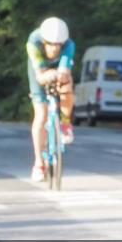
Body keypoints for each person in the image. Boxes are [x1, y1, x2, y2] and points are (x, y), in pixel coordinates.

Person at [26, 17, 76, 181]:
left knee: (67, 85)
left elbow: (64, 67)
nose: (55, 49)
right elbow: (40, 76)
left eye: (58, 45)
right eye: (51, 44)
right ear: (43, 41)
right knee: (41, 115)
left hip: (57, 69)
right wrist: (46, 75)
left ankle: (65, 122)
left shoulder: (69, 44)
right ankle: (39, 163)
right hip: (40, 70)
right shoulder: (33, 43)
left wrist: (61, 74)